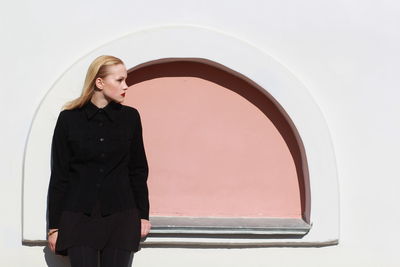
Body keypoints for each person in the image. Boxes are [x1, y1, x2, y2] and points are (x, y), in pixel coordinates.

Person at [46, 55, 151, 267]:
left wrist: (143, 215)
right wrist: (54, 226)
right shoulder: (68, 119)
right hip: (78, 217)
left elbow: (138, 170)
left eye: (125, 79)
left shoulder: (131, 118)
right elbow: (60, 175)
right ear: (99, 82)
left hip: (121, 216)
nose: (126, 86)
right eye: (119, 80)